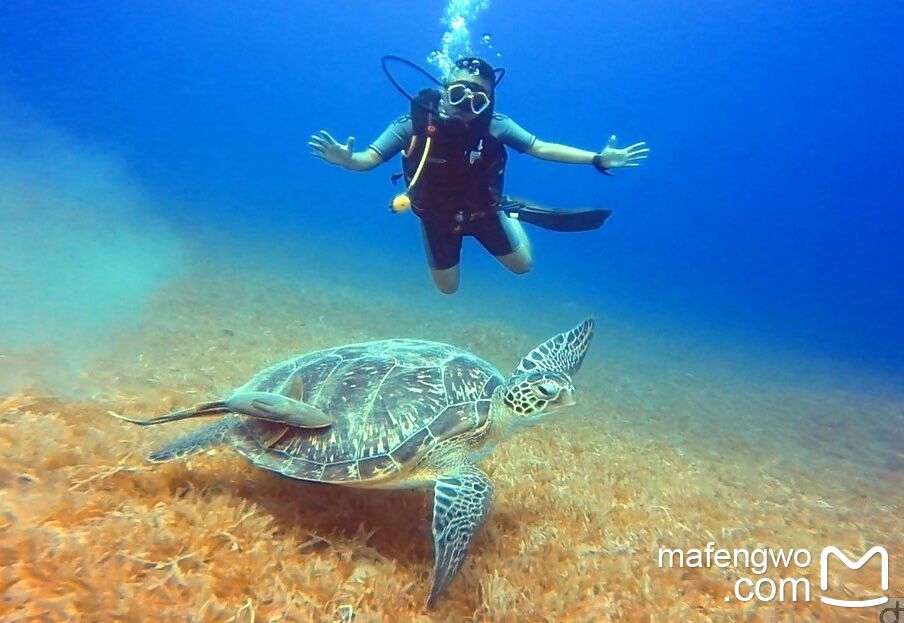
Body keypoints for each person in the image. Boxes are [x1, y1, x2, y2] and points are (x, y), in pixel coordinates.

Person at [310, 57, 648, 294]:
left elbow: (542, 148)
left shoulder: (496, 125)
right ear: (444, 91)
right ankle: (502, 212)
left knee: (522, 267)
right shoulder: (412, 125)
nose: (464, 105)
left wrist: (598, 158)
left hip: (484, 210)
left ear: (488, 103)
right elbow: (368, 158)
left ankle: (511, 212)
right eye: (458, 94)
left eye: (477, 100)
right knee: (447, 289)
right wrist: (346, 159)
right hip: (435, 217)